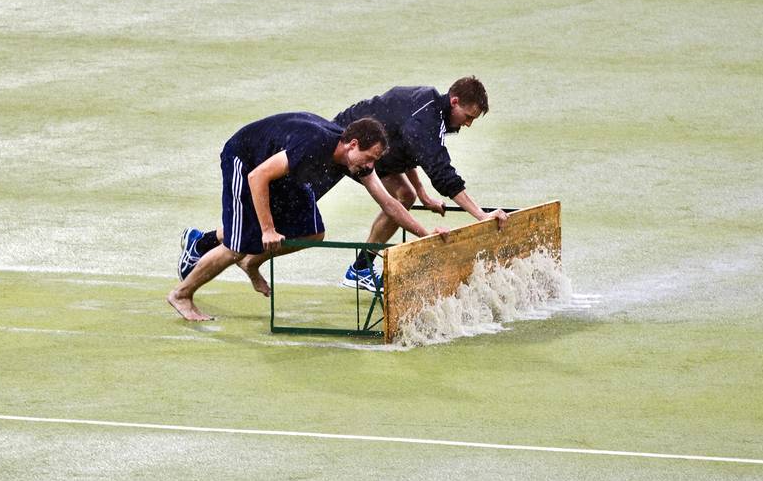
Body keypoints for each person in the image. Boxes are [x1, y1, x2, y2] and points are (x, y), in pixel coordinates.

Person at [168, 113, 448, 322]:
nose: (371, 166)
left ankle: (251, 262)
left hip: (286, 176)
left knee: (313, 233)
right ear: (352, 144)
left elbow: (389, 204)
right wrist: (267, 229)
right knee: (236, 245)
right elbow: (258, 176)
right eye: (369, 157)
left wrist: (427, 236)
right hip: (246, 160)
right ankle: (181, 294)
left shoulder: (356, 163)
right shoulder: (313, 144)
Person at [323, 76, 508, 292]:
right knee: (398, 198)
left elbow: (408, 150)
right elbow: (442, 174)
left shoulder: (430, 107)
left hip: (376, 151)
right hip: (351, 146)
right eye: (468, 117)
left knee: (406, 195)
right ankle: (360, 269)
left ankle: (360, 269)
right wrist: (482, 216)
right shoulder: (425, 120)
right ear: (454, 101)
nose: (468, 123)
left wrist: (422, 194)